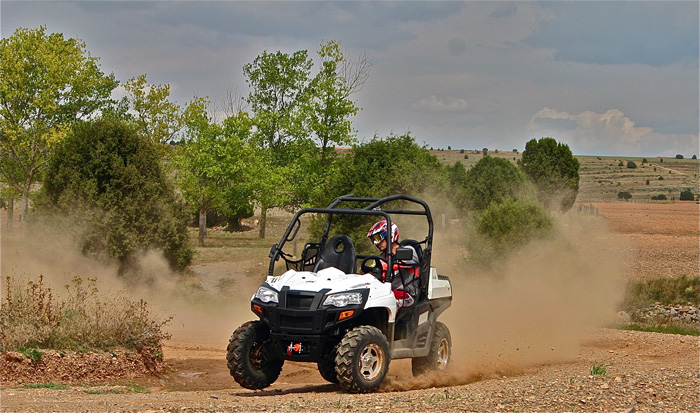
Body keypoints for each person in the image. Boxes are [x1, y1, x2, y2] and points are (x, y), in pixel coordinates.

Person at [366, 220, 420, 308]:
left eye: (377, 238)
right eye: (373, 240)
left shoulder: (408, 251)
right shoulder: (380, 258)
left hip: (407, 294)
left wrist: (386, 266)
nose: (376, 243)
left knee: (388, 302)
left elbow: (406, 263)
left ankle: (391, 322)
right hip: (387, 292)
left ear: (390, 235)